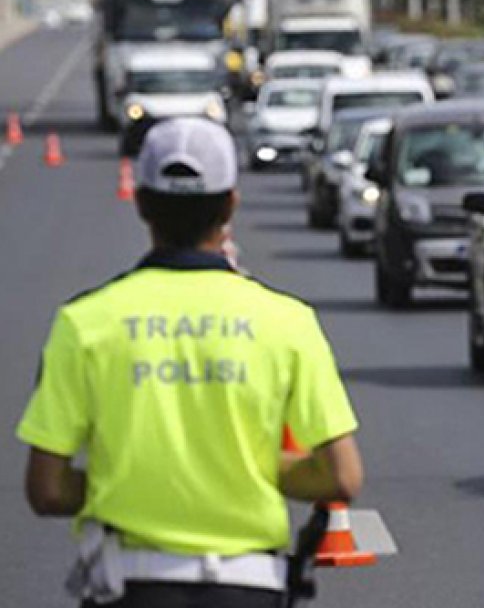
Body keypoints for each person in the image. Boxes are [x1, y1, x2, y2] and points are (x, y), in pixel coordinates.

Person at [17, 117, 364, 608]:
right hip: (251, 586)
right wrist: (245, 468)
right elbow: (342, 476)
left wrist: (137, 478)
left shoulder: (85, 323)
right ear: (230, 205)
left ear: (140, 202)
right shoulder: (287, 321)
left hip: (130, 587)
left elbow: (46, 489)